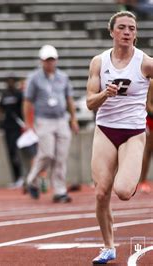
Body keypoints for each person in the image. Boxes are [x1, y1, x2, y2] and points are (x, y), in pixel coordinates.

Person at [86, 11, 153, 264]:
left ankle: (131, 177)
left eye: (132, 28)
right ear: (111, 31)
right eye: (122, 27)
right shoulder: (99, 62)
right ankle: (108, 246)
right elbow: (90, 102)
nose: (127, 32)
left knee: (123, 191)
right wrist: (105, 94)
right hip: (105, 129)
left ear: (136, 34)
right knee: (101, 193)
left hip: (133, 132)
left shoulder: (145, 63)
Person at [23, 44, 79, 203]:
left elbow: (69, 99)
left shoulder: (63, 77)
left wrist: (73, 119)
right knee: (47, 153)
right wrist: (28, 123)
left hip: (61, 119)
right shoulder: (34, 78)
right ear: (41, 61)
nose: (50, 63)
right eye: (47, 60)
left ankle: (60, 191)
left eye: (52, 60)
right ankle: (32, 180)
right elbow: (27, 101)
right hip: (44, 119)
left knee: (61, 156)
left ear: (56, 60)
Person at [0, 76, 24, 188]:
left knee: (17, 152)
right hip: (7, 127)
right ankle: (17, 178)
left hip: (18, 126)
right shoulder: (4, 95)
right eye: (8, 81)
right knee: (10, 152)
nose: (10, 83)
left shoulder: (19, 94)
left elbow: (25, 108)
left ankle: (23, 177)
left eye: (12, 81)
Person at [139, 81, 153, 193]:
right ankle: (142, 181)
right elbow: (148, 104)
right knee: (148, 151)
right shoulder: (152, 83)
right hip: (151, 120)